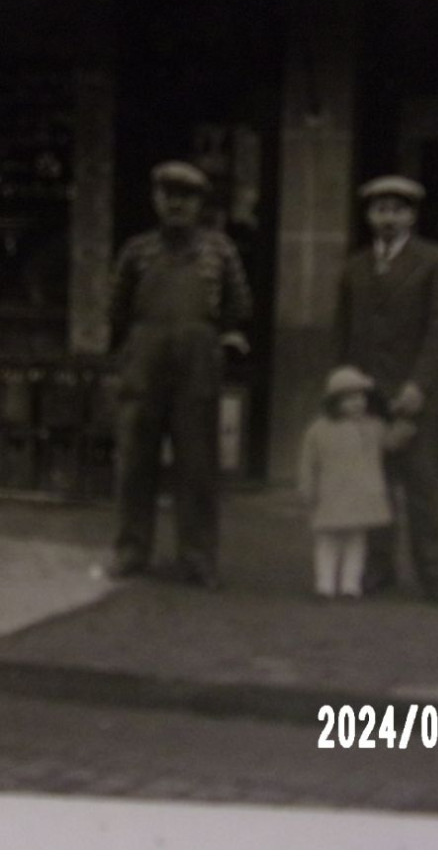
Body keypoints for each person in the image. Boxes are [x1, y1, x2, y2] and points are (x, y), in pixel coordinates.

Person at [106, 160, 251, 588]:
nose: (176, 205)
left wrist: (209, 340)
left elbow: (239, 306)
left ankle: (197, 558)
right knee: (135, 462)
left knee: (197, 466)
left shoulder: (220, 250)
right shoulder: (136, 251)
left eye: (186, 197)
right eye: (168, 195)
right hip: (145, 362)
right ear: (155, 200)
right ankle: (131, 551)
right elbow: (117, 308)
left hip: (197, 365)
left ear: (199, 204)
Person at [333, 175, 438, 604]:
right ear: (369, 216)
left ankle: (434, 576)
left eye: (398, 209)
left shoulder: (434, 261)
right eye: (380, 209)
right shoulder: (354, 267)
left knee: (421, 486)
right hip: (367, 393)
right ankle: (378, 568)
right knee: (374, 486)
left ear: (412, 216)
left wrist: (420, 384)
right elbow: (344, 333)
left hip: (412, 393)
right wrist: (346, 389)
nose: (388, 218)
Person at [298, 366, 416, 600]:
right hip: (330, 495)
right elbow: (308, 462)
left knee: (356, 543)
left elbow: (390, 443)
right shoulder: (318, 430)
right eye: (349, 398)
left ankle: (350, 584)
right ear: (334, 402)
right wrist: (307, 487)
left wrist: (403, 425)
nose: (358, 403)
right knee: (327, 542)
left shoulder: (373, 426)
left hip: (361, 496)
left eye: (361, 397)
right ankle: (325, 585)